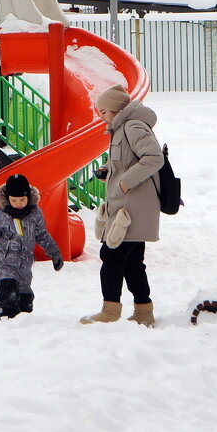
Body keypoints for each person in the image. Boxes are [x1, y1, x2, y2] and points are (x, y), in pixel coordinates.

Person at [81, 83, 164, 327]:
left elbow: (153, 157)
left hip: (132, 205)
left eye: (104, 112)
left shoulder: (133, 126)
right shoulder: (121, 128)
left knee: (111, 255)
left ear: (116, 110)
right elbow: (128, 160)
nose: (101, 116)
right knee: (132, 260)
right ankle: (143, 311)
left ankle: (110, 311)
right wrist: (109, 170)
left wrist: (125, 182)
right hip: (127, 204)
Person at [0, 173, 63, 322]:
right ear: (8, 198)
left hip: (25, 266)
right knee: (7, 294)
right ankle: (3, 320)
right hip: (6, 264)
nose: (18, 203)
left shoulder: (35, 214)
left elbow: (42, 235)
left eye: (22, 200)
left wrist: (54, 252)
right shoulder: (2, 215)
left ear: (28, 197)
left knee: (25, 300)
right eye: (14, 200)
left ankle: (23, 327)